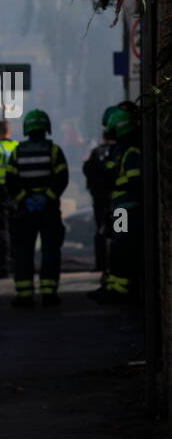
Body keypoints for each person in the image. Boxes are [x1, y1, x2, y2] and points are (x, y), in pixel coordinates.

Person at [4, 109, 68, 307]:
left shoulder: (17, 151)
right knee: (50, 250)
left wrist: (24, 199)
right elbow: (62, 178)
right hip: (48, 209)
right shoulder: (54, 150)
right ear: (46, 128)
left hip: (25, 211)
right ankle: (49, 293)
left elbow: (10, 180)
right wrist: (47, 197)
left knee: (23, 251)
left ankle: (24, 295)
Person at [100, 106, 142, 303]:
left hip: (124, 210)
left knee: (121, 246)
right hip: (120, 208)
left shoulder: (129, 152)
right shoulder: (124, 150)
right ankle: (118, 286)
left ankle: (121, 289)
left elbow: (132, 181)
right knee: (118, 245)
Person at [83, 104, 123, 297]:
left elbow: (89, 173)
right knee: (118, 238)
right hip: (118, 206)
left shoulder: (98, 152)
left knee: (107, 235)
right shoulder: (123, 151)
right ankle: (111, 278)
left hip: (111, 205)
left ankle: (109, 274)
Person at [0, 119, 17, 276]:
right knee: (15, 230)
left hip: (0, 191)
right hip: (15, 192)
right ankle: (15, 263)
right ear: (10, 131)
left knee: (1, 231)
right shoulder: (17, 147)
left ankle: (3, 266)